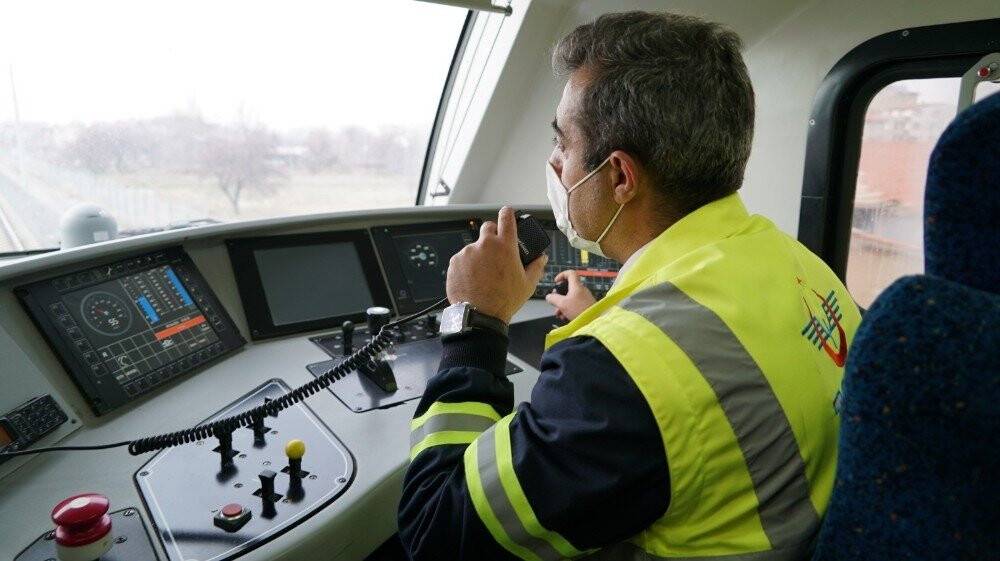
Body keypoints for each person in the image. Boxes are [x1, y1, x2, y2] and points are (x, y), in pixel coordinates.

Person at [398, 11, 861, 561]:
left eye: (561, 143)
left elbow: (435, 532)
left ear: (619, 176)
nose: (554, 164)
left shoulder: (618, 378)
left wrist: (476, 323)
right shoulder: (793, 260)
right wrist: (611, 322)